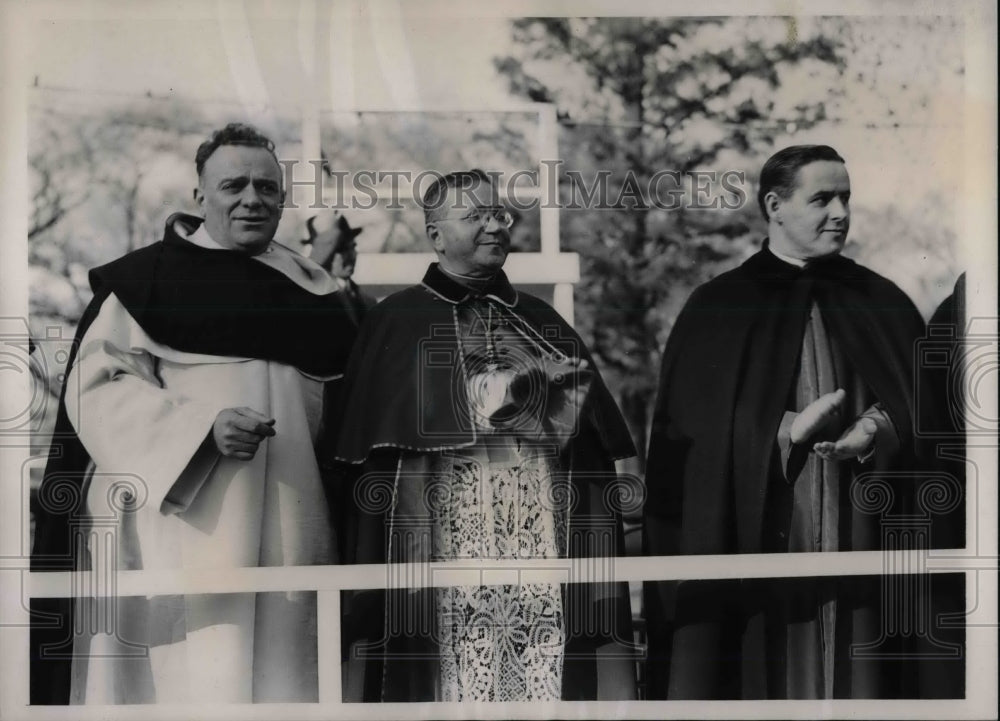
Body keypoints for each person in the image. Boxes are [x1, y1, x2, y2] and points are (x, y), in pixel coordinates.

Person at [30, 123, 357, 704]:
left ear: (283, 199)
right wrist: (199, 431)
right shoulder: (146, 279)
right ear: (200, 195)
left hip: (291, 515)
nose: (251, 199)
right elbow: (97, 387)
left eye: (266, 187)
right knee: (190, 677)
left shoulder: (320, 293)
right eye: (233, 185)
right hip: (181, 513)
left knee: (287, 676)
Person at [642, 145, 957, 699]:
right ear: (775, 206)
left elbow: (926, 414)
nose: (840, 212)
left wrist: (876, 429)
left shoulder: (882, 302)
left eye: (846, 198)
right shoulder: (719, 307)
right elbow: (695, 442)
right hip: (764, 542)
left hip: (866, 535)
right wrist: (783, 430)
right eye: (822, 199)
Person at [329, 169, 638, 702]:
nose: (495, 225)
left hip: (538, 528)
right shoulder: (395, 321)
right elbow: (372, 449)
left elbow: (592, 444)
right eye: (475, 216)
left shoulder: (544, 319)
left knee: (540, 663)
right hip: (442, 534)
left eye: (499, 214)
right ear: (435, 235)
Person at [303, 212, 377, 327]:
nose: (350, 256)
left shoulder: (368, 301)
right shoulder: (311, 300)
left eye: (352, 247)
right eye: (340, 249)